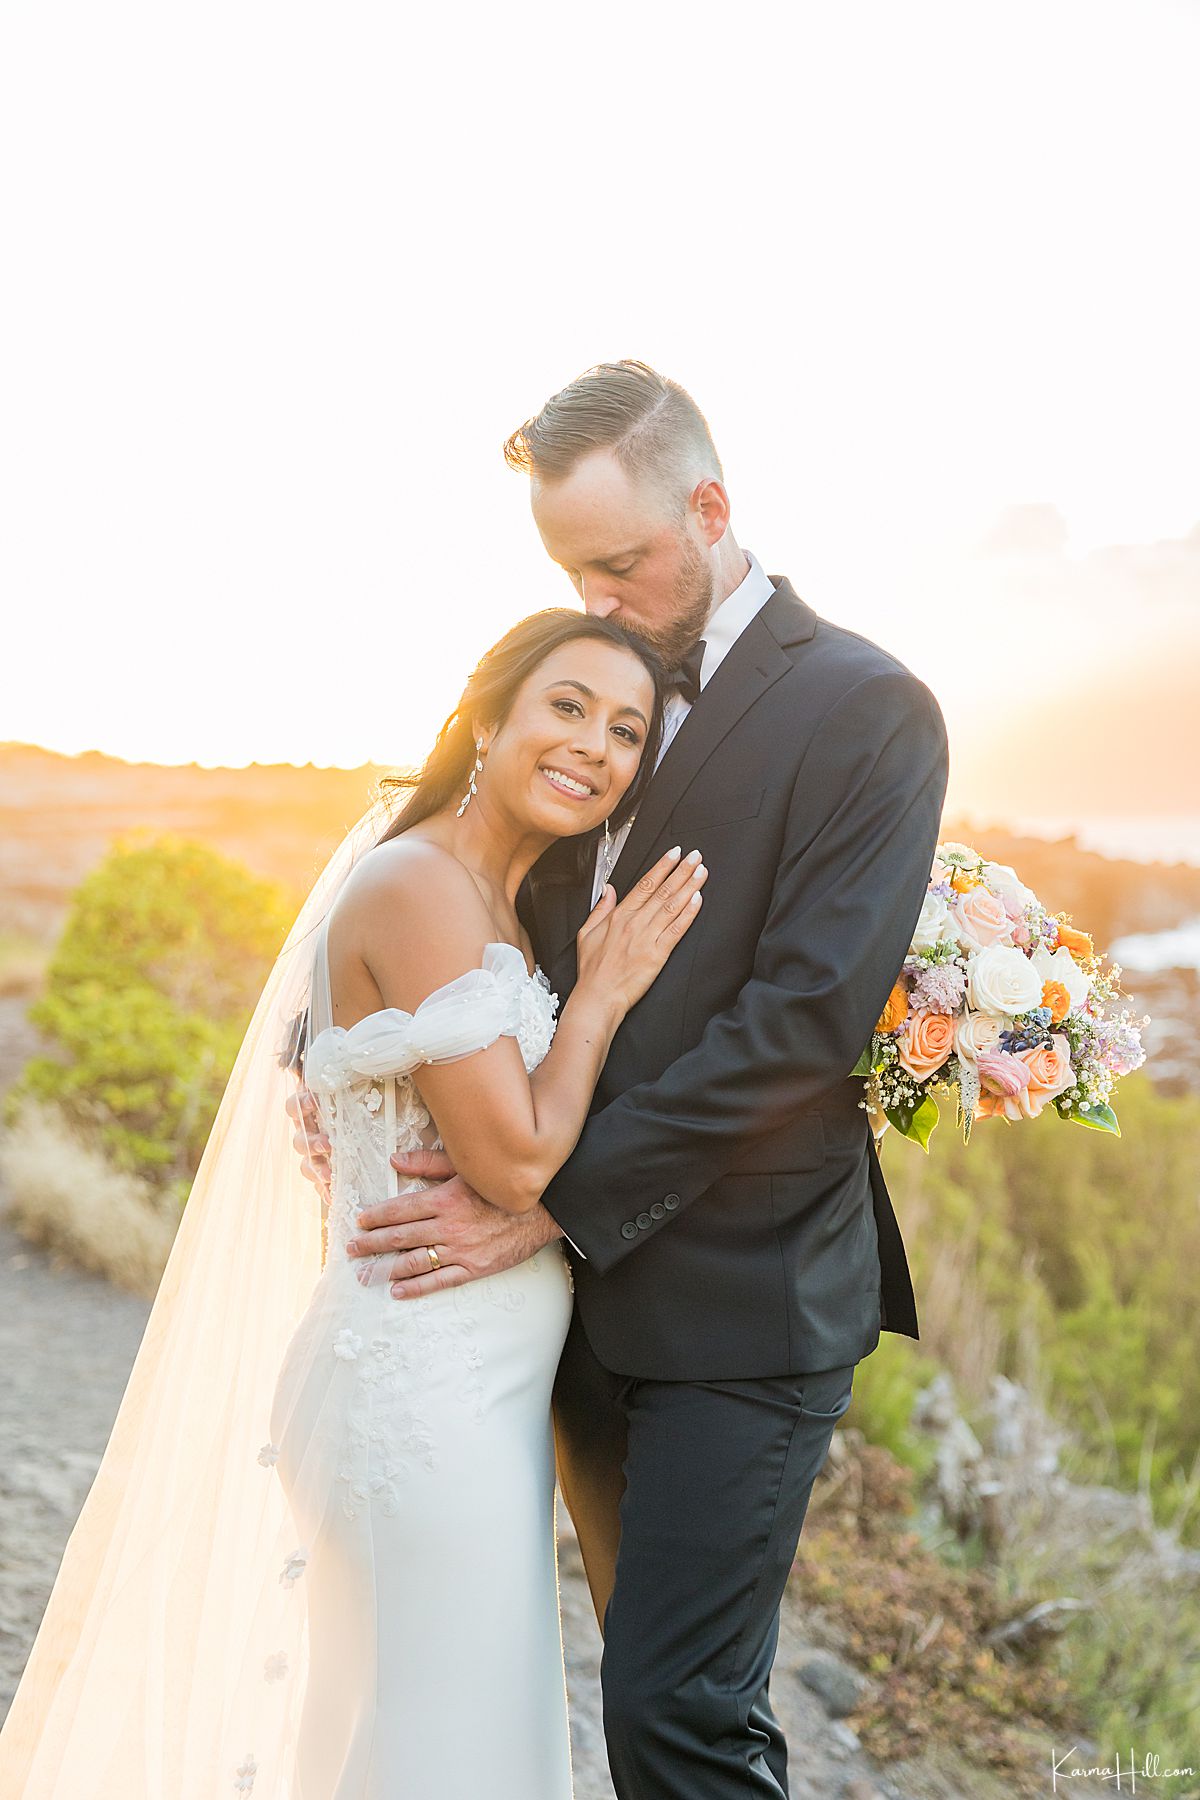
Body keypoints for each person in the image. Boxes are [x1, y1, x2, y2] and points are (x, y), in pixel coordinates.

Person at [323, 361, 950, 1799]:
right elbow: (487, 933)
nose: (598, 600)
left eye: (618, 563)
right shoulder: (591, 688)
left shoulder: (865, 707)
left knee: (679, 1716)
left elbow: (802, 1025)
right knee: (626, 1684)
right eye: (569, 575)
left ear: (711, 507)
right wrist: (366, 1081)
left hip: (745, 1299)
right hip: (572, 1326)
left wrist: (548, 1201)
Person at [0, 607, 705, 1799]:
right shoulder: (422, 882)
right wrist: (604, 994)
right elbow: (520, 1165)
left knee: (423, 1743)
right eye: (568, 706)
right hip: (415, 1401)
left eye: (628, 730)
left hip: (462, 1397)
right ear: (490, 717)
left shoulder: (488, 896)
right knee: (441, 1755)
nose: (595, 744)